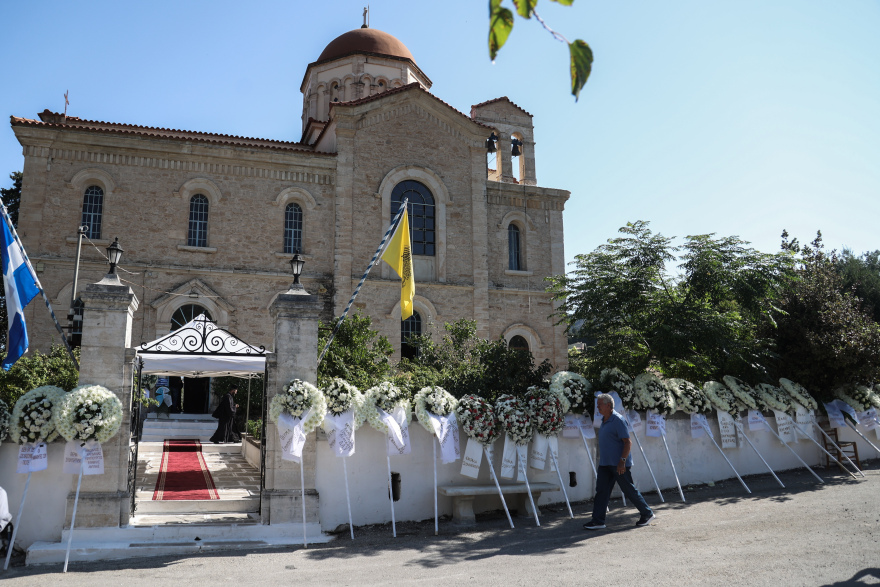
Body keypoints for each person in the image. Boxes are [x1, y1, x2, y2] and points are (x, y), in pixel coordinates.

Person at [583, 393, 655, 530]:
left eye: (599, 404)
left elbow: (627, 442)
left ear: (608, 405)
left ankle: (647, 513)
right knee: (601, 491)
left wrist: (622, 461)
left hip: (618, 464)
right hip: (605, 464)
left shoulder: (618, 420)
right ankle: (598, 520)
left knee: (628, 489)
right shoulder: (604, 419)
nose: (597, 407)